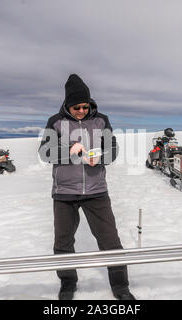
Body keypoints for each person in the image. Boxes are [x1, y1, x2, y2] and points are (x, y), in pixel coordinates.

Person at [38, 74, 135, 300]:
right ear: (67, 105)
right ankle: (68, 283)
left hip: (96, 191)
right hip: (64, 193)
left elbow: (113, 149)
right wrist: (69, 151)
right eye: (76, 107)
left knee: (110, 241)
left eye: (85, 106)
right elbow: (44, 152)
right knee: (63, 242)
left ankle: (121, 287)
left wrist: (99, 158)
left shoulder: (101, 120)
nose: (81, 111)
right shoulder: (55, 121)